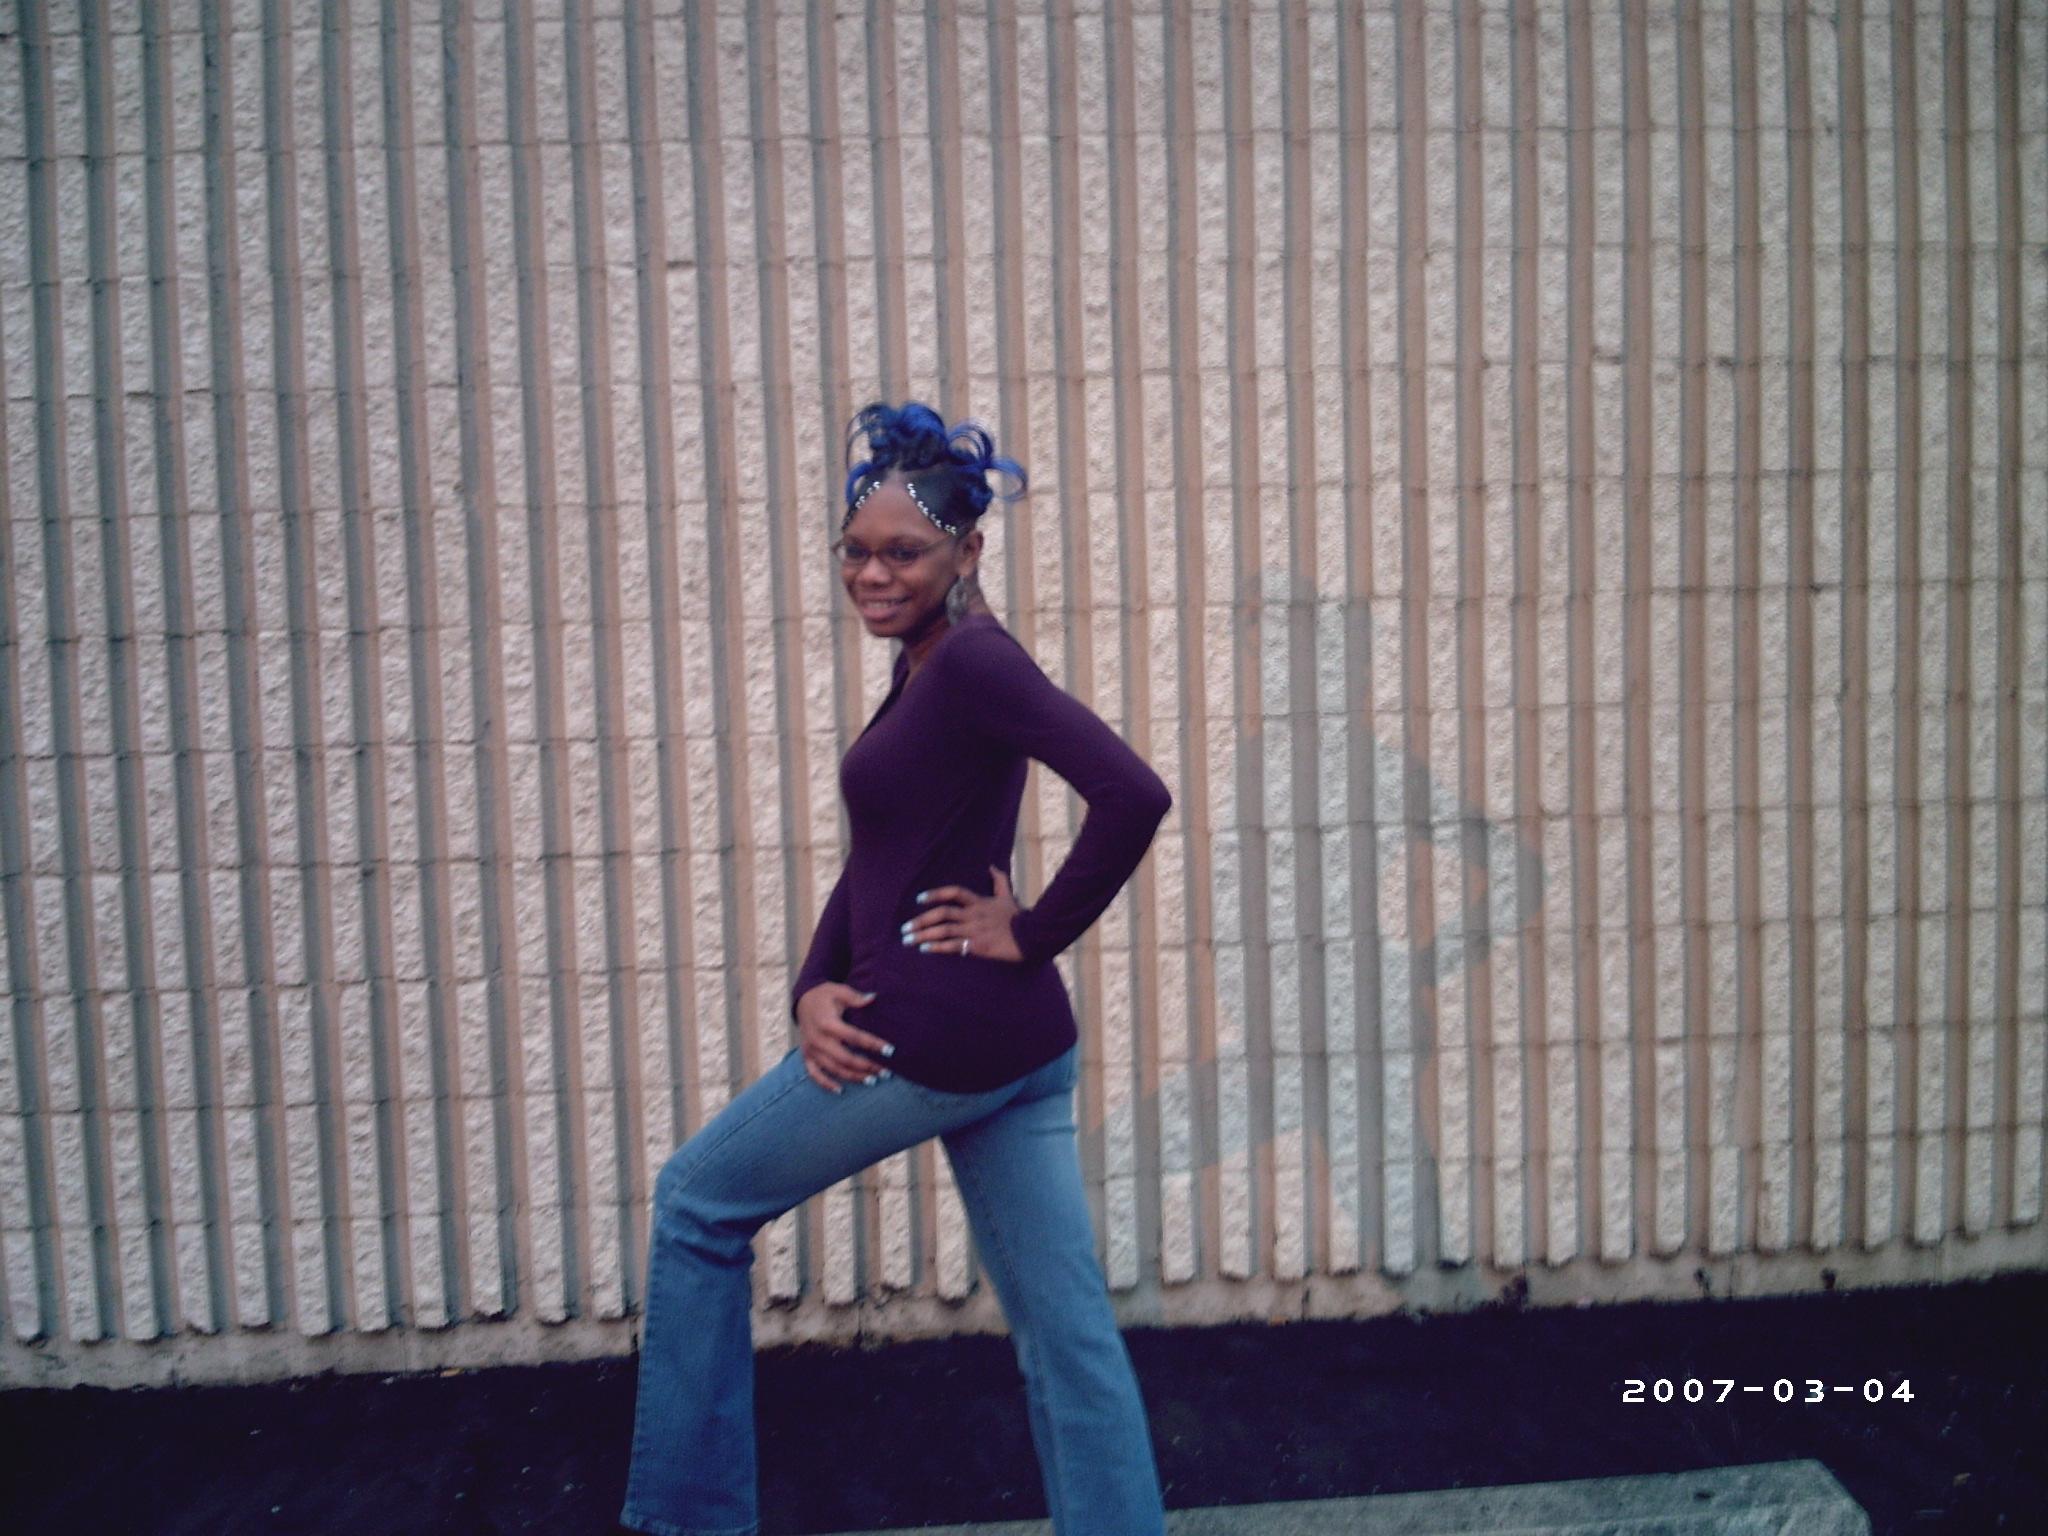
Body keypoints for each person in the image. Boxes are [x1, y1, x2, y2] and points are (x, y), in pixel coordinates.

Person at [620, 402, 1173, 1536]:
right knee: (1067, 1336)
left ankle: (689, 1522)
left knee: (694, 1206)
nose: (872, 575)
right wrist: (809, 983)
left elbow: (1133, 793)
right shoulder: (932, 660)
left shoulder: (973, 664)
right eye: (855, 551)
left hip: (928, 1036)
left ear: (966, 552)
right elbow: (886, 848)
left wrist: (1034, 929)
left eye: (903, 553)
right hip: (1018, 1049)